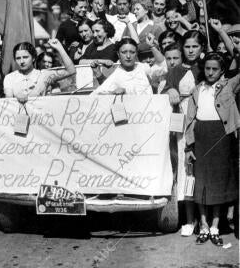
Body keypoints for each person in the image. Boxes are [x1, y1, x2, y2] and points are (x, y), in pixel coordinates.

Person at [185, 52, 240, 245]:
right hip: (201, 137)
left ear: (222, 70)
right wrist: (189, 146)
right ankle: (203, 225)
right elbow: (190, 119)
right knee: (201, 184)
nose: (210, 72)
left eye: (215, 69)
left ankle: (215, 226)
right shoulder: (197, 90)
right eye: (207, 68)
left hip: (221, 137)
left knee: (217, 183)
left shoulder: (228, 86)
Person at [163, 30, 207, 237]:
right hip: (182, 126)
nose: (191, 50)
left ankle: (206, 218)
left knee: (203, 169)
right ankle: (189, 219)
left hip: (204, 123)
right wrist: (170, 90)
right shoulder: (175, 70)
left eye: (195, 46)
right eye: (187, 47)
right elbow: (168, 89)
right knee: (186, 169)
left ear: (202, 48)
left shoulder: (205, 68)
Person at [92, 36, 166, 95]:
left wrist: (152, 46)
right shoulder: (116, 75)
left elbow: (163, 65)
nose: (128, 56)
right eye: (124, 52)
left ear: (136, 53)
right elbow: (96, 94)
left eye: (132, 52)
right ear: (118, 54)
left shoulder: (143, 67)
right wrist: (112, 93)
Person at [4, 39, 75, 99]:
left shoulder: (44, 75)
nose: (22, 61)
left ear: (33, 58)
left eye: (25, 57)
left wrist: (60, 48)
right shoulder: (10, 78)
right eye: (18, 58)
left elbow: (71, 71)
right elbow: (9, 101)